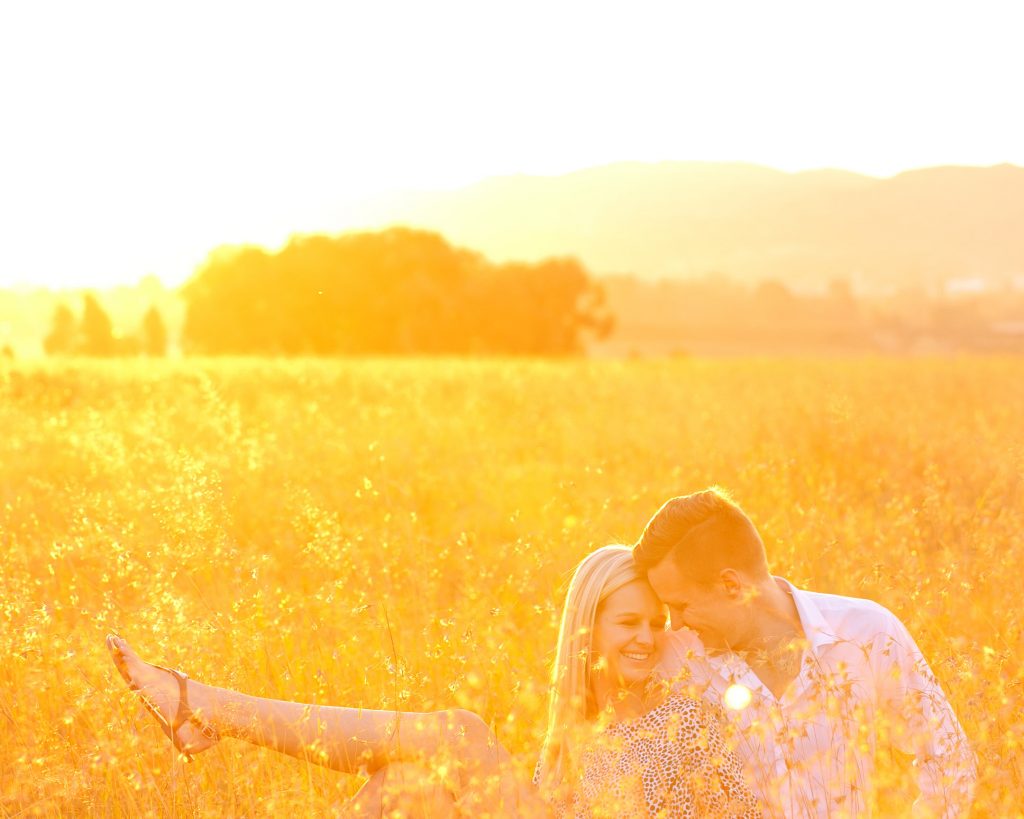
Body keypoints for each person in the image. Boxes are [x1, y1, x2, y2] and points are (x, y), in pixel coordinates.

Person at [107, 545, 759, 817]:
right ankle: (204, 709)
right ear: (589, 627)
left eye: (655, 621)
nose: (646, 636)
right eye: (628, 622)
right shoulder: (579, 724)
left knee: (461, 733)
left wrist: (689, 688)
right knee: (406, 786)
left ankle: (207, 707)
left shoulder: (690, 717)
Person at [632, 488, 977, 818]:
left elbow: (949, 757)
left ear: (731, 586)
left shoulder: (866, 632)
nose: (673, 623)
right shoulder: (678, 660)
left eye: (680, 605)